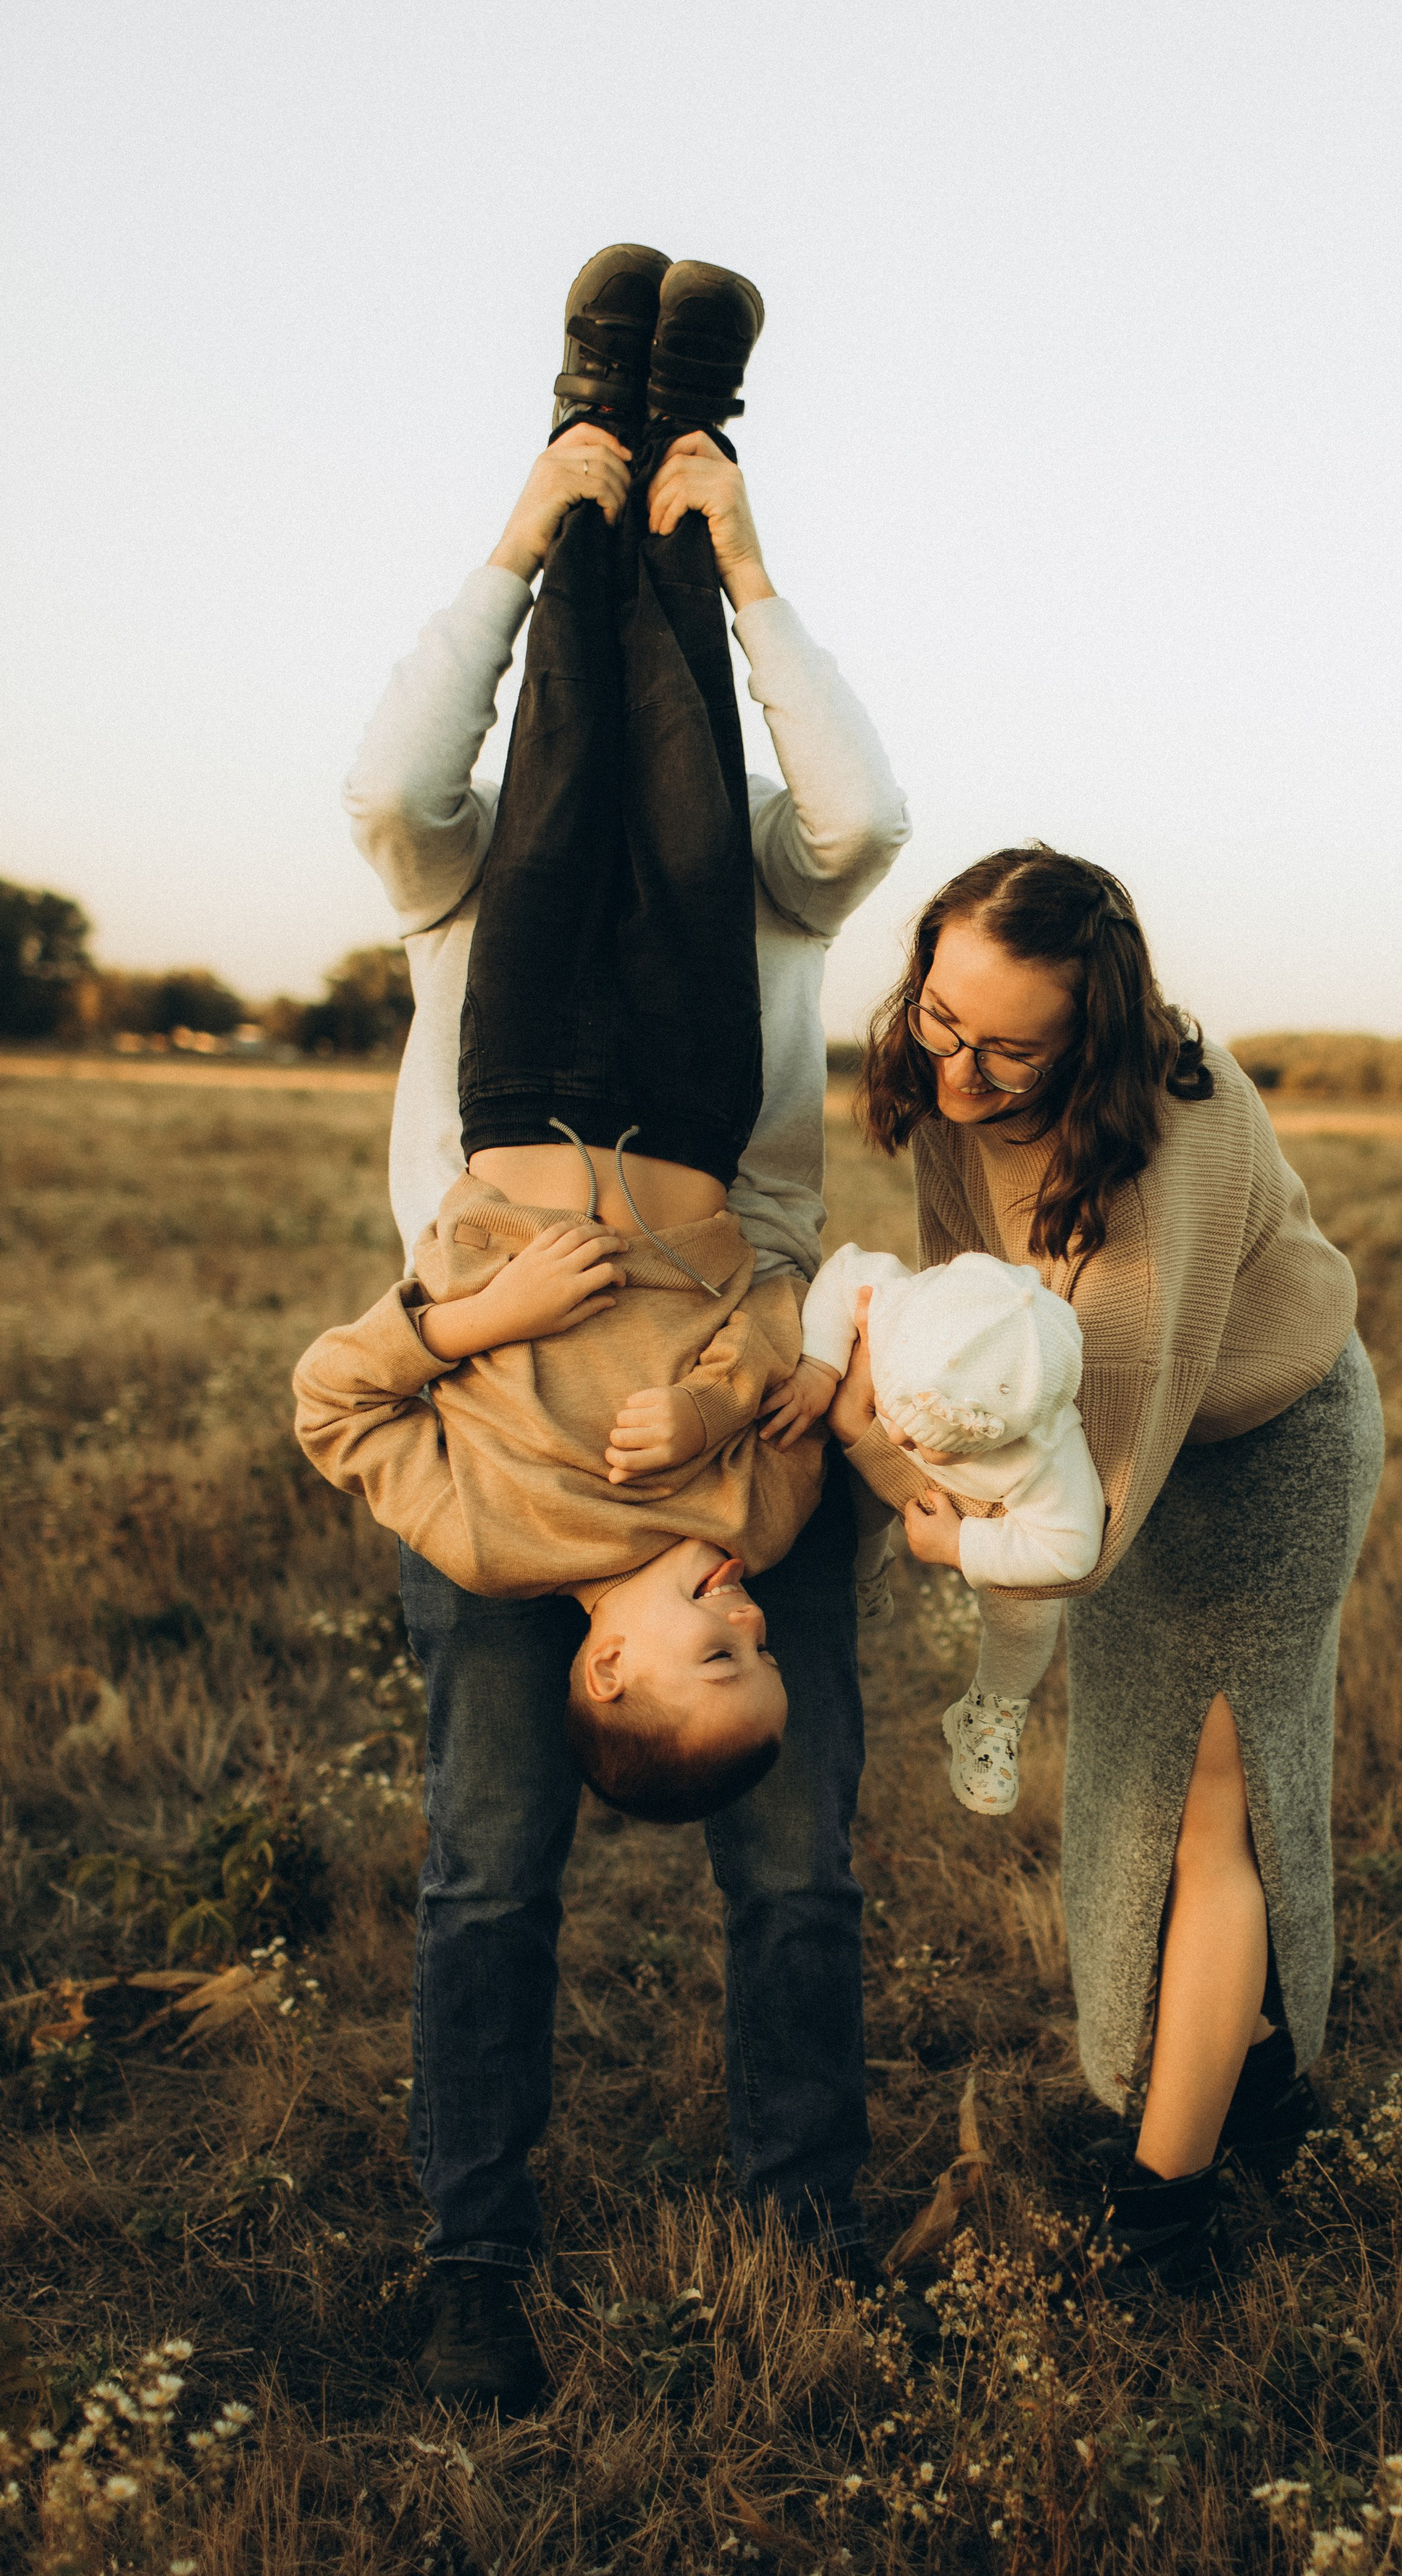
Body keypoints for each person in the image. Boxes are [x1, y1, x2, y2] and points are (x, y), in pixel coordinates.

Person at [339, 243, 910, 2410]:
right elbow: (396, 788)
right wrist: (526, 535)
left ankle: (805, 2217)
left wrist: (737, 560)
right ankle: (473, 2249)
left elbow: (856, 815)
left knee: (794, 1865)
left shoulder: (765, 876)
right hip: (554, 1382)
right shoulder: (461, 876)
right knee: (489, 1868)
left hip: (675, 1378)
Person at [843, 845, 1382, 2294]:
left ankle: (1162, 2217)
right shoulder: (954, 1089)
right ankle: (1250, 2078)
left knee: (1212, 1801)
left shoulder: (1166, 1142)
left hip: (1255, 1457)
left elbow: (1086, 1519)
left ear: (1093, 1040)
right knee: (1133, 1788)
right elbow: (972, 1307)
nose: (957, 1070)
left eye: (1008, 1051)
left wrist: (956, 1533)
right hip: (1109, 1447)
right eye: (939, 1018)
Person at [765, 1242, 1102, 1812]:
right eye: (902, 1420)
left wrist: (959, 1544)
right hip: (868, 1453)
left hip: (985, 1510)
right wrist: (821, 1366)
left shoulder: (1047, 1451)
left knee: (1027, 1612)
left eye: (927, 1442)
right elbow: (845, 1270)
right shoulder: (899, 1309)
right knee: (851, 1499)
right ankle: (865, 1572)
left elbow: (1071, 1549)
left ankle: (991, 1710)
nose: (899, 1438)